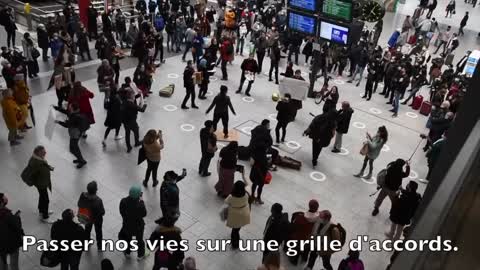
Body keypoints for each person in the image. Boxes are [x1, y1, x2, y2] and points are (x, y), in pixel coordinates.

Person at [21, 146, 54, 222]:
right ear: (38, 152)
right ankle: (45, 217)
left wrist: (48, 167)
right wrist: (33, 182)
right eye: (43, 152)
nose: (45, 153)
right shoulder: (35, 162)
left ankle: (41, 211)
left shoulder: (38, 159)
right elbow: (29, 173)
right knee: (46, 200)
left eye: (45, 151)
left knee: (42, 197)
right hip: (41, 184)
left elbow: (43, 165)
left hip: (42, 182)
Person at [56, 103, 89, 168]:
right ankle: (80, 159)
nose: (69, 107)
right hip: (76, 133)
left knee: (73, 149)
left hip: (75, 134)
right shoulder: (74, 113)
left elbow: (67, 125)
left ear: (73, 108)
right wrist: (56, 108)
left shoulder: (74, 116)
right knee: (74, 148)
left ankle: (81, 161)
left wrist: (58, 122)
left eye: (70, 107)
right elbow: (65, 111)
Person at [119, 186, 147, 260]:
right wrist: (141, 201)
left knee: (128, 239)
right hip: (138, 227)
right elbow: (144, 214)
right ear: (139, 195)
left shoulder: (123, 201)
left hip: (127, 225)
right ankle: (140, 255)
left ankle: (127, 252)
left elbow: (121, 212)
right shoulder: (140, 205)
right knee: (139, 241)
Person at [77, 181, 105, 250]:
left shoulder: (82, 195)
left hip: (86, 217)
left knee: (87, 231)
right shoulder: (98, 200)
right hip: (96, 219)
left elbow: (79, 204)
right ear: (96, 190)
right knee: (98, 231)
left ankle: (86, 243)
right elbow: (102, 212)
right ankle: (100, 246)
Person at [0, 193, 24, 270]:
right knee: (14, 264)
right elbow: (17, 227)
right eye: (4, 198)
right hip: (11, 244)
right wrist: (17, 218)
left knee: (2, 264)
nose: (6, 199)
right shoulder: (7, 215)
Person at [225, 181, 251, 249]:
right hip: (243, 213)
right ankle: (237, 239)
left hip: (235, 214)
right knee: (238, 228)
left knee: (234, 229)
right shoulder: (246, 194)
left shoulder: (231, 197)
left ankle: (234, 243)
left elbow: (226, 202)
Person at [120, 89, 147, 153]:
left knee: (127, 133)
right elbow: (142, 110)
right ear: (131, 96)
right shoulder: (132, 105)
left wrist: (139, 94)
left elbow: (134, 99)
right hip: (132, 121)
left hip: (125, 121)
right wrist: (145, 105)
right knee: (136, 130)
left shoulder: (124, 101)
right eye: (133, 95)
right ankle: (137, 142)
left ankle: (128, 147)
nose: (134, 96)